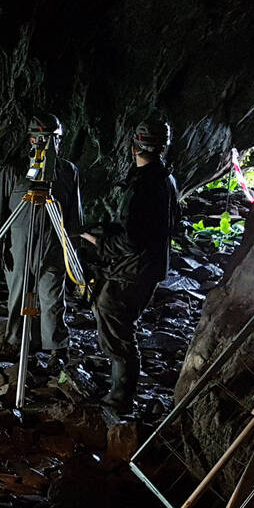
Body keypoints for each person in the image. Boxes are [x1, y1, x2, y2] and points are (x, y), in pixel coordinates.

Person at [81, 120, 179, 415]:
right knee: (119, 322)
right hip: (148, 268)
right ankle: (118, 391)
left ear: (134, 146)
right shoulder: (165, 179)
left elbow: (132, 240)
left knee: (115, 321)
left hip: (133, 270)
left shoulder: (143, 185)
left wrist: (98, 242)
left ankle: (119, 400)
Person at [0, 114, 84, 368]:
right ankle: (15, 342)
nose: (51, 145)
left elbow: (74, 217)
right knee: (18, 297)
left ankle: (57, 349)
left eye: (55, 139)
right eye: (45, 139)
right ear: (31, 139)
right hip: (18, 250)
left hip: (52, 248)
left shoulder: (67, 172)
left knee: (52, 300)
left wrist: (74, 258)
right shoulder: (13, 171)